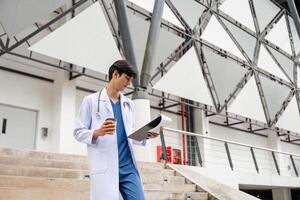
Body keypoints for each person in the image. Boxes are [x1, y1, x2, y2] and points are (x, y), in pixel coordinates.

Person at [74, 60, 158, 200]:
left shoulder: (128, 104)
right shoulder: (91, 101)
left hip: (128, 167)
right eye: (126, 78)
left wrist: (145, 135)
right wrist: (97, 132)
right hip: (106, 166)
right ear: (115, 74)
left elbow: (128, 134)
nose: (128, 84)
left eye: (130, 80)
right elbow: (78, 132)